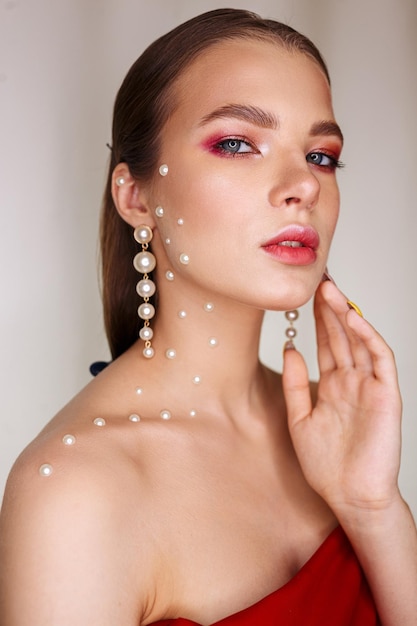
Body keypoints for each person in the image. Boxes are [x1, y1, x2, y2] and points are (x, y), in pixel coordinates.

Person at [0, 8, 416, 625]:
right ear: (136, 197)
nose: (302, 183)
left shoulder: (337, 433)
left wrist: (374, 507)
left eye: (322, 155)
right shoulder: (73, 492)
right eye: (237, 144)